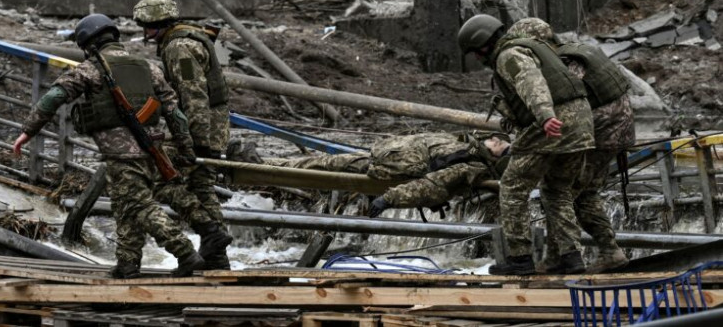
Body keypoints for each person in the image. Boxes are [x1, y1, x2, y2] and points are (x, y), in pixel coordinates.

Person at [13, 14, 205, 279]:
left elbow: (55, 96)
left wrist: (27, 131)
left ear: (88, 43)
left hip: (122, 153)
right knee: (126, 206)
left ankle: (185, 252)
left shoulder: (90, 69)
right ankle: (128, 264)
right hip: (152, 150)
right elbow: (175, 112)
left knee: (139, 206)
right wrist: (185, 149)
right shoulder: (148, 66)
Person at [457, 14, 595, 275]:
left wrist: (545, 115)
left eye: (476, 52)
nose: (476, 58)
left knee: (512, 187)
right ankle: (571, 257)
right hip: (581, 122)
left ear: (485, 44)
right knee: (557, 190)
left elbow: (532, 82)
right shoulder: (532, 46)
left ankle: (520, 259)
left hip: (553, 123)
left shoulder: (508, 55)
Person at [511, 18, 633, 273]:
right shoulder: (577, 49)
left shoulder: (564, 61)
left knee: (569, 192)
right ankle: (556, 257)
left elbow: (569, 97)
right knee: (567, 191)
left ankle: (609, 251)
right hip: (616, 129)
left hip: (599, 132)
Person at [133, 0, 232, 269]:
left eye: (147, 25)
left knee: (158, 180)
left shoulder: (179, 48)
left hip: (202, 130)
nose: (145, 32)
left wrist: (197, 143)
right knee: (202, 188)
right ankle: (216, 256)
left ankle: (210, 236)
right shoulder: (186, 39)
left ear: (159, 23)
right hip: (210, 127)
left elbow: (193, 93)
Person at [263, 132, 510, 217]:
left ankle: (259, 168)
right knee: (318, 163)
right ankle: (263, 164)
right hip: (383, 159)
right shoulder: (467, 143)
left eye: (502, 144)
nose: (497, 139)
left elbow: (430, 185)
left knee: (321, 166)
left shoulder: (471, 165)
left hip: (384, 171)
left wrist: (389, 199)